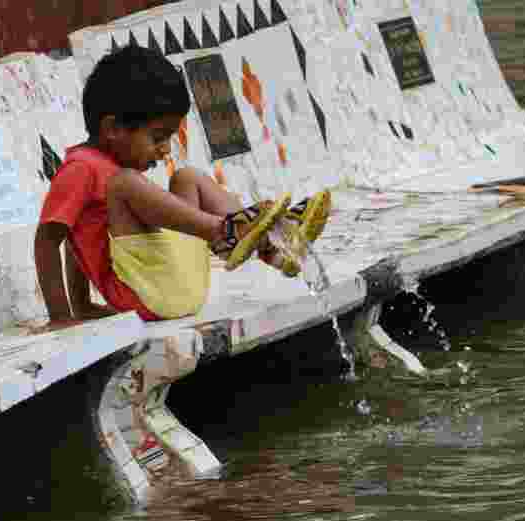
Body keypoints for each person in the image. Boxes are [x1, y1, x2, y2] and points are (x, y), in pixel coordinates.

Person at [33, 44, 331, 330]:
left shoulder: (106, 171)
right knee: (123, 184)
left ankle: (275, 242)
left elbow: (79, 235)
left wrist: (83, 304)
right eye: (157, 137)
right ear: (112, 129)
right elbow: (49, 240)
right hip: (149, 293)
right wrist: (63, 316)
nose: (165, 151)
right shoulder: (83, 170)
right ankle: (225, 231)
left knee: (186, 178)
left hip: (171, 282)